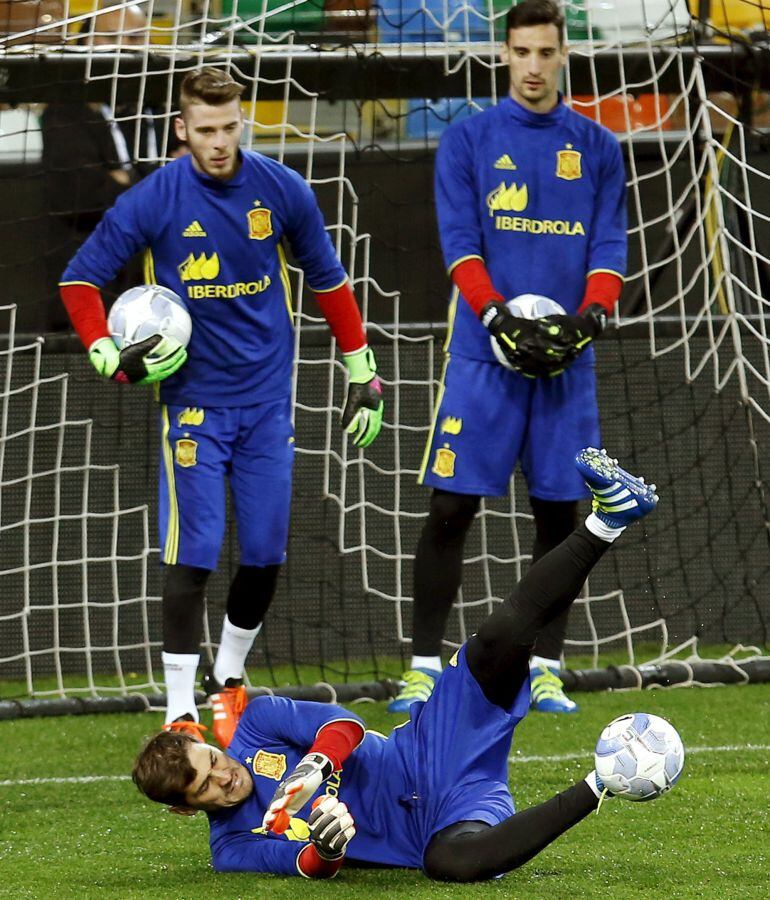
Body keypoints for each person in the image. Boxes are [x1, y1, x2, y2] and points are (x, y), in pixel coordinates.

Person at [132, 448, 659, 881]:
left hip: (427, 749)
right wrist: (327, 842)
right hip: (437, 827)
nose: (223, 777)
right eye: (204, 786)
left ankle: (607, 518)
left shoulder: (258, 722)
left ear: (207, 740)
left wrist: (317, 765)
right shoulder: (231, 848)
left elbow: (344, 725)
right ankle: (602, 783)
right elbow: (309, 865)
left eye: (213, 760)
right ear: (185, 808)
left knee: (496, 641)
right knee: (449, 864)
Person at [59, 67, 384, 748]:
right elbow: (80, 280)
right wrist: (101, 349)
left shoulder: (281, 190)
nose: (218, 142)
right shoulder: (154, 201)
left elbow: (328, 277)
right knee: (195, 555)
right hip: (193, 409)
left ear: (243, 121)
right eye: (204, 130)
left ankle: (227, 681)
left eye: (229, 126)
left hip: (266, 405)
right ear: (182, 129)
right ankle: (179, 707)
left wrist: (363, 369)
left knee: (265, 551)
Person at [388, 0, 627, 715]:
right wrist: (494, 315)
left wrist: (587, 321)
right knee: (450, 508)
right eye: (521, 52)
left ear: (562, 55)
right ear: (504, 54)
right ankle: (424, 666)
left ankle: (543, 667)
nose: (532, 66)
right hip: (483, 358)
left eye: (545, 53)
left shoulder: (598, 146)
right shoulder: (467, 141)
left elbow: (608, 247)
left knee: (560, 517)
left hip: (565, 361)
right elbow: (460, 243)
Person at [41, 4, 175, 331]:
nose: (124, 47)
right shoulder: (65, 111)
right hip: (96, 296)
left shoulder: (168, 107)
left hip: (172, 290)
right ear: (84, 44)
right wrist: (163, 180)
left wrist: (123, 179)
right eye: (111, 37)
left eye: (134, 37)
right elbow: (81, 197)